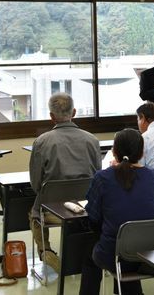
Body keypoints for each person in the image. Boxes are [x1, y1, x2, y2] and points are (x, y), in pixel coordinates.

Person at [79, 128, 154, 295]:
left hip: (116, 255)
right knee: (126, 246)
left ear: (114, 152)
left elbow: (93, 217)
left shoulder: (102, 177)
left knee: (90, 252)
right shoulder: (152, 175)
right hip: (150, 253)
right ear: (142, 152)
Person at [28, 93, 100, 273]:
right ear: (74, 112)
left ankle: (46, 250)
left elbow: (36, 184)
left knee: (35, 213)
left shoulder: (42, 142)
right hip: (86, 208)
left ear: (51, 116)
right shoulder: (92, 140)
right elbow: (98, 177)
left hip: (52, 211)